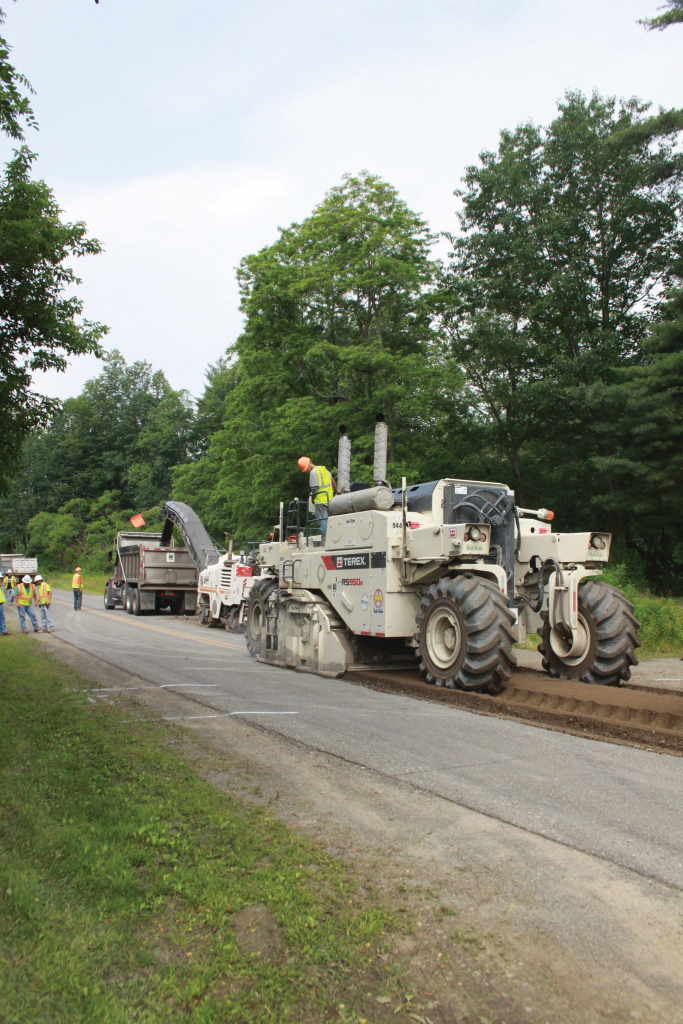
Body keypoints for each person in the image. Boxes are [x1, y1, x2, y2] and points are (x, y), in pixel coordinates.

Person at [297, 456, 337, 541]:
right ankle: (332, 540)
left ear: (309, 464)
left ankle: (324, 541)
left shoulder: (313, 472)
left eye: (306, 469)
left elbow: (315, 489)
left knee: (323, 522)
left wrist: (312, 498)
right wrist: (336, 493)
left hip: (320, 501)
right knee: (329, 521)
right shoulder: (323, 469)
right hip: (330, 500)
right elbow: (333, 482)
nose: (307, 471)